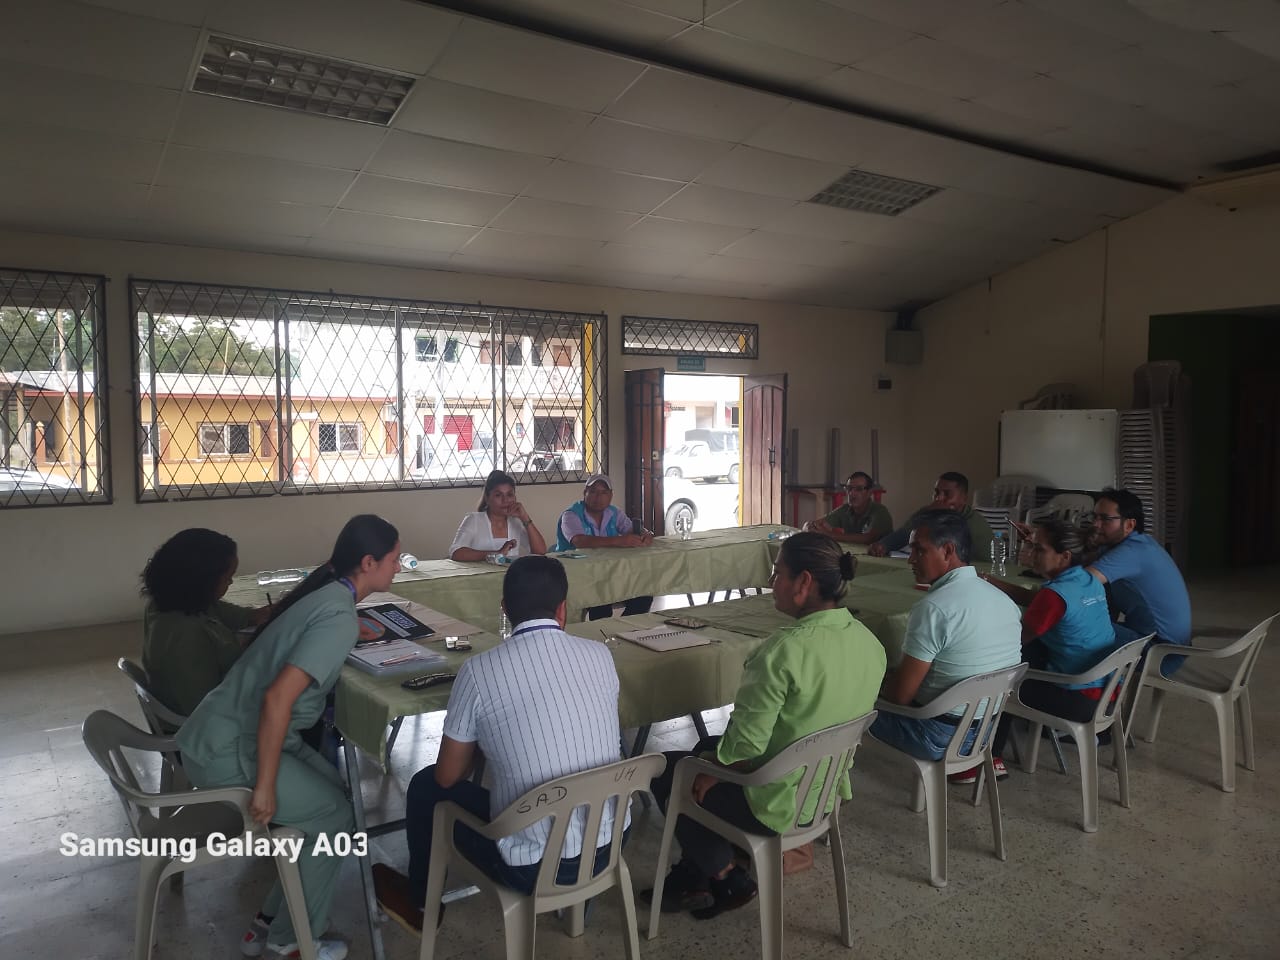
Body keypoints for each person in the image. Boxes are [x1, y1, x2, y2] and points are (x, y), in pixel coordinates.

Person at [176, 514, 402, 960]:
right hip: (230, 747)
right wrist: (264, 785)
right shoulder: (338, 616)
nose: (398, 567)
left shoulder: (327, 593)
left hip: (232, 731)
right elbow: (277, 699)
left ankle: (269, 921)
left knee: (335, 799)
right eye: (394, 559)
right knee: (332, 817)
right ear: (368, 562)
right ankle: (293, 941)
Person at [371, 555, 627, 932]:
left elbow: (447, 777)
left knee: (426, 787)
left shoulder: (478, 671)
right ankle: (578, 905)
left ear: (505, 609)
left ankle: (421, 903)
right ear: (563, 608)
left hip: (530, 868)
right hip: (609, 846)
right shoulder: (600, 655)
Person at [645, 533, 885, 919]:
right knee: (704, 747)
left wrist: (714, 771)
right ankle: (696, 875)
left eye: (778, 574)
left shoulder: (781, 652)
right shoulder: (870, 643)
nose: (772, 583)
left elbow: (746, 747)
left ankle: (725, 875)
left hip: (773, 802)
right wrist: (713, 762)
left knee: (667, 769)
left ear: (803, 582)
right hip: (822, 792)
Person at [869, 510, 1021, 778]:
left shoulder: (934, 609)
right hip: (987, 732)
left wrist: (876, 686)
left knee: (847, 709)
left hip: (937, 736)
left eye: (919, 550)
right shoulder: (1004, 601)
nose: (911, 559)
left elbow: (899, 698)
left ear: (948, 550)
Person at [980, 519, 1119, 771]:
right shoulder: (1086, 580)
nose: (1031, 553)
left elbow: (1013, 642)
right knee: (1031, 654)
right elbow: (1036, 600)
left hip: (1080, 699)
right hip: (1107, 690)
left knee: (1001, 680)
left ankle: (992, 759)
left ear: (1064, 556)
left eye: (1039, 549)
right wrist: (990, 581)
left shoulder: (1054, 596)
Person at [140, 528, 269, 716]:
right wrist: (253, 649)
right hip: (208, 718)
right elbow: (205, 707)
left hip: (210, 702)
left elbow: (233, 614)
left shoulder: (173, 601)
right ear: (203, 581)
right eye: (227, 578)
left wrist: (259, 615)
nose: (231, 582)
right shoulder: (185, 635)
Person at [1084, 488, 1191, 668]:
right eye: (1094, 517)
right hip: (1158, 641)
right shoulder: (1137, 543)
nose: (1095, 524)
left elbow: (1075, 585)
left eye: (1105, 519)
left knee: (1069, 625)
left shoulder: (1132, 552)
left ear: (1129, 525)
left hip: (1161, 653)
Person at [555, 473, 654, 619]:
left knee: (644, 596)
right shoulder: (571, 515)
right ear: (584, 493)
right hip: (577, 576)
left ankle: (622, 629)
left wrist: (646, 534)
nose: (598, 497)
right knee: (601, 601)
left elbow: (632, 530)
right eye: (593, 492)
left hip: (608, 573)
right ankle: (603, 631)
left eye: (604, 493)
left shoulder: (614, 512)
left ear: (611, 495)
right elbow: (580, 541)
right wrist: (620, 541)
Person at [867, 471, 994, 561]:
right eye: (936, 492)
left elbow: (990, 560)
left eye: (947, 494)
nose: (939, 498)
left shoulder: (974, 524)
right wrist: (883, 545)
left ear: (964, 498)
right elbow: (906, 532)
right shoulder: (929, 512)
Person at [448, 470, 547, 561]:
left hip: (510, 574)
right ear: (487, 498)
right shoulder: (474, 520)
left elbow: (540, 552)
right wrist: (496, 553)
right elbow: (456, 553)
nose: (505, 500)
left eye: (509, 495)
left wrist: (525, 517)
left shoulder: (516, 522)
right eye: (498, 495)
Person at [804, 471, 893, 545]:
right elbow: (816, 523)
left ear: (869, 493)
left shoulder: (880, 511)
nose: (851, 493)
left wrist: (827, 534)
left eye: (859, 489)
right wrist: (810, 527)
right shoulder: (846, 509)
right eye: (849, 488)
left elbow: (868, 538)